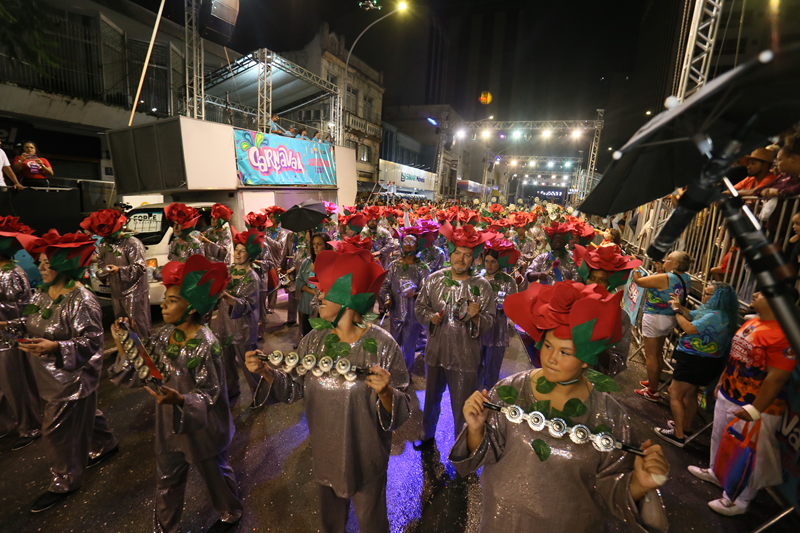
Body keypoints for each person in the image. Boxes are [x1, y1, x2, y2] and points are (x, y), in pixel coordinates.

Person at [452, 281, 669, 533]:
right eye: (547, 346)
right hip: (503, 522)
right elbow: (484, 454)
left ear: (587, 359)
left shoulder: (609, 417)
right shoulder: (511, 391)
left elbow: (611, 488)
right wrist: (476, 429)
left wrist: (639, 484)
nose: (551, 358)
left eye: (565, 352)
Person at [246, 248, 411, 533]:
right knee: (330, 524)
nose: (317, 295)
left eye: (325, 291)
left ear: (347, 299)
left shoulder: (383, 346)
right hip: (326, 455)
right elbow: (295, 387)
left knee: (372, 524)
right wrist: (268, 372)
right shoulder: (313, 341)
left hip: (366, 458)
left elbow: (402, 410)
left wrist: (386, 393)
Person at [109, 255, 242, 533]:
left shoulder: (207, 345)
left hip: (202, 427)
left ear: (191, 307)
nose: (163, 305)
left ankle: (231, 511)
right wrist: (125, 346)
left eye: (171, 301)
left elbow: (211, 393)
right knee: (166, 479)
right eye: (165, 299)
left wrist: (182, 400)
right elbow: (143, 369)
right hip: (168, 425)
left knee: (214, 473)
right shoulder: (162, 336)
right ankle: (165, 527)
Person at [2, 230, 118, 512]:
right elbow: (30, 323)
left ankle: (65, 480)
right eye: (40, 261)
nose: (39, 266)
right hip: (46, 373)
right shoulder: (42, 295)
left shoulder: (82, 300)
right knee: (86, 414)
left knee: (54, 431)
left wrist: (55, 346)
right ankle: (106, 443)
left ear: (64, 265)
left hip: (71, 377)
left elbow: (91, 342)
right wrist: (7, 327)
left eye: (46, 263)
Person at [688, 292, 796, 516]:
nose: (755, 293)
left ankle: (737, 500)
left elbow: (777, 376)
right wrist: (721, 381)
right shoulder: (754, 321)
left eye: (764, 292)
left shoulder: (785, 334)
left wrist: (756, 408)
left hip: (756, 404)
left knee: (747, 453)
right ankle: (716, 473)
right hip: (730, 392)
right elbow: (736, 357)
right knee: (719, 437)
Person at [414, 222, 495, 449]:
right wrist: (430, 317)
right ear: (450, 253)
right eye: (457, 253)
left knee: (464, 405)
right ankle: (426, 434)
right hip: (436, 352)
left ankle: (463, 447)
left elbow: (490, 323)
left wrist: (477, 316)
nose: (461, 259)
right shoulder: (434, 280)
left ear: (475, 258)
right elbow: (419, 308)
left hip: (465, 357)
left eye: (467, 255)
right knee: (431, 400)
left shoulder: (482, 287)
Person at [654, 282, 739, 447]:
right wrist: (679, 306)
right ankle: (685, 428)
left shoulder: (715, 315)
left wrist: (676, 310)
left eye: (708, 294)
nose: (703, 296)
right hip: (702, 360)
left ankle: (678, 435)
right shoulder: (715, 313)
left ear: (718, 297)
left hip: (696, 360)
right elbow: (691, 315)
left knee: (674, 393)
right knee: (690, 395)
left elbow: (689, 327)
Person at [0, 216, 40, 449]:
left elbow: (20, 308)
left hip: (12, 340)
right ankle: (9, 424)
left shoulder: (11, 273)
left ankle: (30, 426)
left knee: (18, 385)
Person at [572, 244, 643, 377]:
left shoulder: (620, 317)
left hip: (595, 382)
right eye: (592, 278)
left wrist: (596, 345)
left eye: (602, 280)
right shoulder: (572, 304)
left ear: (609, 284)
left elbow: (617, 360)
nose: (595, 284)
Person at [82, 209, 151, 341]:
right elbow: (101, 266)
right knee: (121, 326)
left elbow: (140, 267)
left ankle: (144, 357)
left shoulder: (132, 243)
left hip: (135, 292)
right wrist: (103, 273)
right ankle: (125, 353)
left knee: (138, 326)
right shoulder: (103, 245)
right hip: (117, 292)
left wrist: (119, 270)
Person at [632, 251, 692, 401]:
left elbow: (639, 281)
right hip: (669, 317)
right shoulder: (685, 278)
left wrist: (635, 266)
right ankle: (653, 382)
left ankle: (652, 391)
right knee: (658, 352)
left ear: (676, 264)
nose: (665, 260)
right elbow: (663, 286)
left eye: (669, 259)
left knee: (651, 355)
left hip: (655, 317)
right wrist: (660, 269)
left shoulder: (666, 277)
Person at [212, 229, 262, 408]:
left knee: (250, 364)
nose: (238, 253)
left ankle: (260, 393)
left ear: (250, 254)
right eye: (237, 249)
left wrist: (227, 297)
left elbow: (248, 305)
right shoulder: (228, 272)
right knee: (226, 363)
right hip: (223, 325)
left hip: (243, 327)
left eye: (242, 250)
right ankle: (232, 390)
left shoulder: (252, 278)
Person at [380, 230, 431, 373]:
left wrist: (415, 294)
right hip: (396, 313)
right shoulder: (394, 266)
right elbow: (385, 286)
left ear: (417, 245)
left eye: (411, 242)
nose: (408, 245)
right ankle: (394, 372)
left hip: (413, 315)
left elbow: (427, 291)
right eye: (405, 241)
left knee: (409, 346)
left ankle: (406, 374)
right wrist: (388, 299)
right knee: (394, 345)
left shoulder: (422, 268)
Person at [478, 238, 519, 390]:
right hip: (479, 330)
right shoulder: (478, 278)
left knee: (492, 369)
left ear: (500, 262)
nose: (489, 265)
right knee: (476, 366)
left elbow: (513, 307)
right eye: (487, 261)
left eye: (493, 261)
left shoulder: (508, 281)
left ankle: (489, 397)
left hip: (498, 331)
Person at [296, 233, 328, 337]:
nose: (315, 246)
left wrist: (318, 272)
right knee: (307, 334)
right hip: (306, 305)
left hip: (322, 308)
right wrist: (312, 291)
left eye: (319, 244)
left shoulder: (330, 262)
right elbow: (299, 281)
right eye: (313, 244)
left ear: (326, 245)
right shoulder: (307, 262)